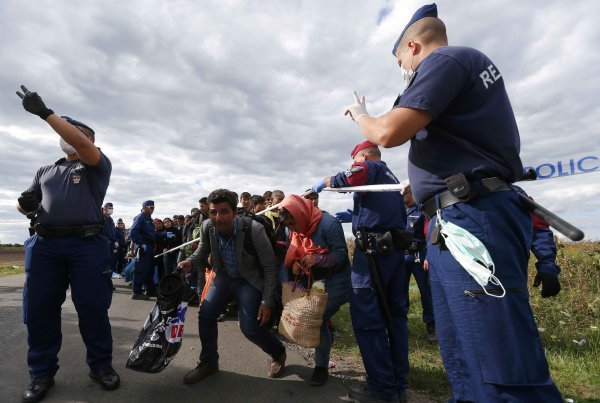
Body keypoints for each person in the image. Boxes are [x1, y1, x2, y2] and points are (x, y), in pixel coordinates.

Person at [342, 4, 562, 401]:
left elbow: (388, 132)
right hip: (456, 219)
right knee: (463, 353)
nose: (404, 71)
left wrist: (361, 114)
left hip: (471, 216)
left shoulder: (446, 59)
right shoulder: (463, 67)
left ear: (412, 46)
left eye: (401, 63)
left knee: (497, 360)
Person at [15, 85, 120, 401]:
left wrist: (47, 113)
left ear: (88, 139)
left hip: (86, 246)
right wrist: (25, 204)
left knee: (92, 309)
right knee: (40, 311)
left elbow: (78, 141)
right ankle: (41, 374)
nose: (69, 134)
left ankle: (100, 366)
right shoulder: (45, 170)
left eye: (75, 131)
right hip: (46, 245)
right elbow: (26, 206)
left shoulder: (95, 163)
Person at [311, 140, 408, 402]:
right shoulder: (390, 176)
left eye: (354, 160)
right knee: (395, 318)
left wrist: (327, 181)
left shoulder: (370, 167)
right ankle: (398, 384)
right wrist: (354, 215)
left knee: (368, 320)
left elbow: (350, 178)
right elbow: (389, 213)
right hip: (395, 253)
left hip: (374, 255)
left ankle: (382, 389)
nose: (354, 165)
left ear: (363, 155)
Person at [177, 189, 286, 383]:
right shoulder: (207, 226)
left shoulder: (253, 229)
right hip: (223, 277)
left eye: (224, 211)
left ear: (234, 213)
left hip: (248, 280)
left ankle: (278, 352)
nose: (218, 218)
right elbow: (202, 250)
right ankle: (209, 362)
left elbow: (270, 267)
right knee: (206, 314)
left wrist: (267, 301)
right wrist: (190, 262)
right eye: (213, 212)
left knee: (250, 327)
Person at [278, 195, 351, 386]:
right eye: (288, 225)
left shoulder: (329, 224)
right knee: (320, 321)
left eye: (293, 223)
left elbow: (341, 255)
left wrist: (317, 259)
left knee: (319, 319)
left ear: (301, 213)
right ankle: (321, 365)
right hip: (312, 279)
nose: (293, 229)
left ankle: (321, 367)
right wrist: (295, 264)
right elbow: (293, 251)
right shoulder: (291, 229)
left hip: (336, 279)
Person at [399, 181, 435, 342]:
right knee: (400, 292)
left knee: (426, 291)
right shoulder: (397, 211)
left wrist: (428, 256)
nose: (401, 197)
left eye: (404, 194)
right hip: (401, 256)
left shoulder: (422, 210)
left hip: (419, 255)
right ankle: (401, 325)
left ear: (411, 193)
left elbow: (429, 234)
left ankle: (431, 325)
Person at [129, 200, 175, 300]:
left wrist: (164, 234)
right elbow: (133, 232)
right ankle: (136, 292)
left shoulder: (149, 219)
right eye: (150, 207)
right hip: (143, 247)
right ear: (144, 207)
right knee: (141, 269)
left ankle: (150, 290)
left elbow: (152, 234)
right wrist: (141, 243)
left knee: (149, 270)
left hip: (149, 247)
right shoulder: (140, 217)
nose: (152, 209)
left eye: (153, 207)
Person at [102, 202, 119, 274]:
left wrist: (115, 241)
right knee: (104, 262)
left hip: (111, 244)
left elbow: (112, 232)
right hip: (104, 243)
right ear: (105, 208)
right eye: (110, 208)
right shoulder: (101, 217)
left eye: (112, 208)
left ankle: (108, 281)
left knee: (111, 262)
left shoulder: (111, 219)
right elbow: (105, 231)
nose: (111, 210)